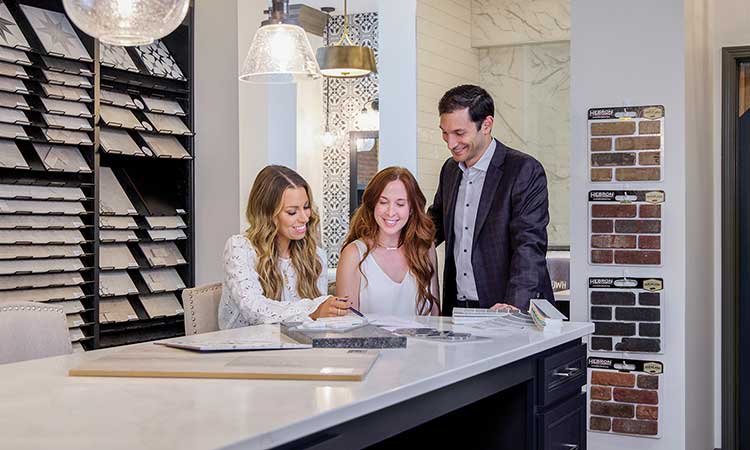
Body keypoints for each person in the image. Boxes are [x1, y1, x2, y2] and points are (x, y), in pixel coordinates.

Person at [428, 84, 554, 315]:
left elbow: (529, 245)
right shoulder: (450, 170)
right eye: (445, 132)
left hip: (506, 307)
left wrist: (515, 304)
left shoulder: (523, 170)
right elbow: (435, 223)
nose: (450, 143)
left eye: (459, 133)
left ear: (486, 125)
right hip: (458, 308)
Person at [218, 165, 349, 329]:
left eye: (306, 207)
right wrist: (312, 310)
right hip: (243, 349)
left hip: (296, 349)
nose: (304, 218)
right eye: (292, 212)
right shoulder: (240, 247)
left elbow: (317, 323)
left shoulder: (315, 255)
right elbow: (253, 309)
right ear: (267, 214)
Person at [336, 167, 440, 316]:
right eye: (383, 202)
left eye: (400, 204)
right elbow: (346, 325)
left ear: (411, 208)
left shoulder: (425, 249)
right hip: (369, 340)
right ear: (373, 205)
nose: (391, 212)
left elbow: (436, 318)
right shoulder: (354, 254)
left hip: (421, 340)